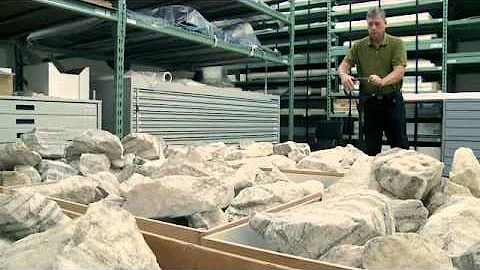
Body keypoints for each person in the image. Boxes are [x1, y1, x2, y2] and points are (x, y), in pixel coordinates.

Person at [338, 6, 409, 156]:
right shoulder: (358, 46)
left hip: (392, 102)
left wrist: (382, 81)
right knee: (370, 149)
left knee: (400, 147)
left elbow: (399, 70)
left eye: (377, 23)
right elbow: (343, 66)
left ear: (385, 23)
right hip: (370, 104)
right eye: (370, 24)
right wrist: (344, 76)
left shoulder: (397, 44)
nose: (373, 27)